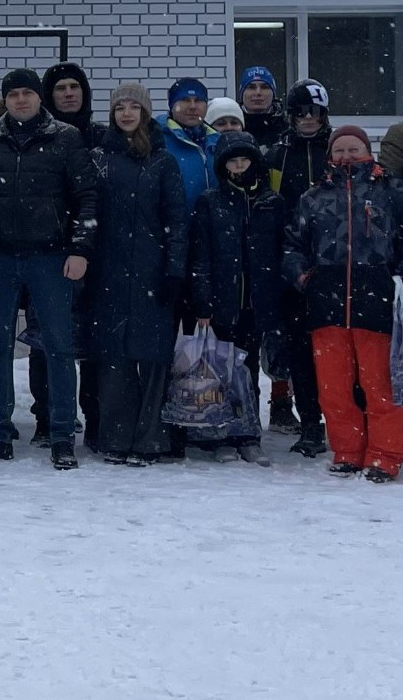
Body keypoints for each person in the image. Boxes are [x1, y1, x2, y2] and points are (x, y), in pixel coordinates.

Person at [0, 69, 98, 470]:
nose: (21, 100)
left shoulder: (66, 138)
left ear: (39, 98)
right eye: (14, 94)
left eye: (28, 93)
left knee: (58, 347)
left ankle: (60, 436)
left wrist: (80, 249)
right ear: (6, 99)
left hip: (51, 257)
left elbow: (86, 197)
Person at [284, 125, 403, 483]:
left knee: (380, 387)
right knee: (333, 389)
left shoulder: (395, 192)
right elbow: (292, 247)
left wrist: (400, 281)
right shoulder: (314, 196)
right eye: (340, 150)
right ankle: (347, 451)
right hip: (326, 306)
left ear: (368, 151)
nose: (346, 156)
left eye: (353, 149)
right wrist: (305, 279)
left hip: (378, 304)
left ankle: (385, 456)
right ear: (331, 155)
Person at [82, 82, 186, 466]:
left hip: (151, 270)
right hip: (107, 271)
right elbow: (87, 214)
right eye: (120, 107)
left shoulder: (162, 161)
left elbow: (176, 219)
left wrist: (174, 268)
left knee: (154, 356)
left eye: (134, 107)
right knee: (114, 357)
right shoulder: (97, 158)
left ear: (145, 113)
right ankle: (114, 435)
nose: (126, 113)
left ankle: (150, 439)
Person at [184, 132, 283, 464]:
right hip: (222, 301)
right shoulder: (210, 202)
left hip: (256, 303)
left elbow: (280, 252)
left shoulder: (271, 202)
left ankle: (248, 432)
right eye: (232, 161)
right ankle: (218, 433)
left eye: (244, 160)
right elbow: (201, 257)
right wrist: (202, 302)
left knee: (249, 370)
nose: (239, 167)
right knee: (218, 371)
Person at [265, 79, 333, 445]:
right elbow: (270, 204)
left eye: (315, 112)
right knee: (299, 348)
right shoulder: (277, 154)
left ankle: (342, 419)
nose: (308, 118)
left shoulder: (336, 151)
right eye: (300, 112)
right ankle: (309, 422)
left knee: (336, 348)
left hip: (337, 265)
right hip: (291, 265)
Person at [160, 78, 213, 209]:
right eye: (185, 100)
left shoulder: (217, 142)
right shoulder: (158, 140)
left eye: (199, 100)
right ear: (172, 105)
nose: (193, 106)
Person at [236, 66, 287, 145]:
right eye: (251, 87)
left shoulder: (287, 128)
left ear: (273, 94)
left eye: (264, 87)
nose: (258, 92)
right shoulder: (232, 126)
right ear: (242, 94)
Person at [45, 63, 95, 137]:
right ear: (50, 96)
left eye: (74, 87)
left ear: (84, 92)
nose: (69, 94)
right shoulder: (37, 138)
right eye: (61, 88)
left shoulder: (102, 137)